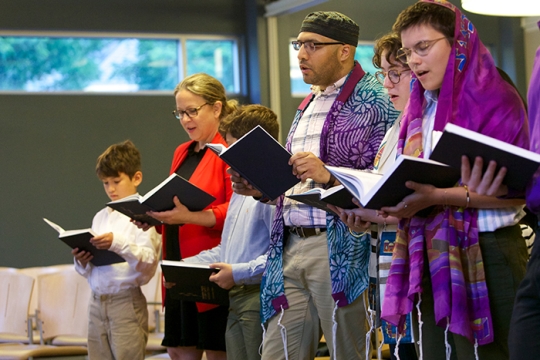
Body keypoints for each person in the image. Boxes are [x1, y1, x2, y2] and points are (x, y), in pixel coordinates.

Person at [229, 11, 399, 359]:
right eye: (299, 45)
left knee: (349, 351)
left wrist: (329, 175)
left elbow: (386, 181)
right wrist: (261, 187)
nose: (301, 54)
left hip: (340, 247)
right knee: (278, 353)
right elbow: (296, 179)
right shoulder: (308, 102)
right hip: (289, 244)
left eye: (313, 45)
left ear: (344, 51)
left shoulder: (378, 100)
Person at [379, 1, 529, 359]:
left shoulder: (494, 97)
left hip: (488, 251)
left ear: (457, 42)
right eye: (407, 51)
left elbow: (519, 192)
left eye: (423, 48)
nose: (413, 61)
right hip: (436, 253)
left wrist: (439, 195)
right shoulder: (420, 107)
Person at [333, 32, 418, 360]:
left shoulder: (425, 128)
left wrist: (376, 212)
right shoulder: (394, 130)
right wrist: (358, 215)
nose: (387, 84)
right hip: (383, 256)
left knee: (416, 349)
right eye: (383, 74)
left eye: (395, 73)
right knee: (396, 351)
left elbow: (421, 201)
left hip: (412, 264)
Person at [147, 73, 236, 360]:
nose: (186, 120)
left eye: (192, 111)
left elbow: (235, 212)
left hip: (208, 267)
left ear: (217, 108)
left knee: (214, 350)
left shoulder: (228, 151)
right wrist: (153, 217)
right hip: (176, 263)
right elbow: (176, 204)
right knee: (177, 349)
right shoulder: (182, 152)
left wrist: (190, 216)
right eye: (180, 113)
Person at [182, 104, 278, 360]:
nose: (227, 164)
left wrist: (238, 272)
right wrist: (183, 268)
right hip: (235, 297)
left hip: (258, 295)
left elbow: (281, 256)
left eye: (234, 151)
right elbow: (227, 249)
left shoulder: (274, 194)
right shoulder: (240, 191)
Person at [72, 139, 161, 360]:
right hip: (96, 300)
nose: (111, 189)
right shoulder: (100, 217)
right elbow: (90, 270)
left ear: (136, 178)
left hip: (125, 302)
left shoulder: (145, 215)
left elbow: (148, 263)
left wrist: (117, 243)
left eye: (116, 181)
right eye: (105, 183)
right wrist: (82, 260)